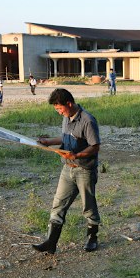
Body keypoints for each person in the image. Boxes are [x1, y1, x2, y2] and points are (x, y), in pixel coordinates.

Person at [32, 88, 101, 254]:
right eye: (56, 109)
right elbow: (66, 138)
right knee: (58, 205)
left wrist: (76, 154)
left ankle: (92, 238)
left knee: (88, 206)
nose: (58, 112)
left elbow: (95, 147)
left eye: (59, 108)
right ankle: (51, 242)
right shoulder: (66, 118)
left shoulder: (87, 120)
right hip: (67, 169)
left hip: (84, 170)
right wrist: (48, 141)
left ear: (69, 103)